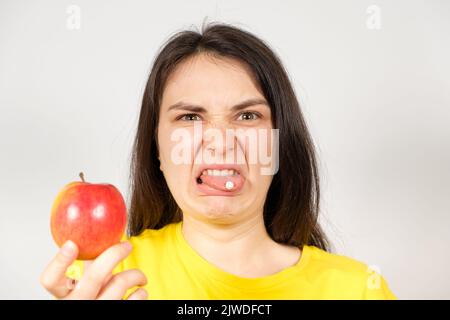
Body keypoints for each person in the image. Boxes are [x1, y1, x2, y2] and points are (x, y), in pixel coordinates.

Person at [40, 23, 396, 300]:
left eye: (247, 117)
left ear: (278, 144)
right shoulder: (105, 279)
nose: (221, 143)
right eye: (190, 119)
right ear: (157, 151)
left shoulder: (358, 288)